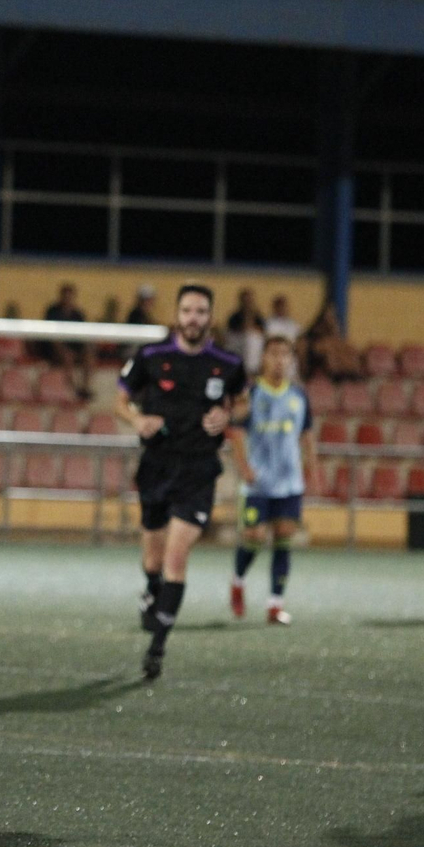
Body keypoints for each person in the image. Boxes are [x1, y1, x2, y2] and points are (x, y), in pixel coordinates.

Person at [115, 284, 248, 680]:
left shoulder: (227, 362)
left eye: (201, 311)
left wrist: (228, 415)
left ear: (210, 316)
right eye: (187, 311)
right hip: (156, 467)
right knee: (153, 559)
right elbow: (120, 400)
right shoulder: (152, 356)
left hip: (198, 471)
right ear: (176, 315)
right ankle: (151, 588)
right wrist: (138, 420)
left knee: (176, 557)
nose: (194, 318)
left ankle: (157, 648)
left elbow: (244, 400)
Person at [226, 336, 318, 626]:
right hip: (258, 482)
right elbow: (236, 431)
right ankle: (238, 580)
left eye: (285, 354)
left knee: (283, 539)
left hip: (289, 482)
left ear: (292, 360)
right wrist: (243, 466)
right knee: (253, 536)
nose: (280, 360)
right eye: (274, 354)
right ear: (263, 358)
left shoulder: (299, 396)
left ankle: (275, 605)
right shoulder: (251, 394)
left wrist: (311, 466)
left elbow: (306, 434)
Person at [42, 283, 93, 400]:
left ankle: (85, 387)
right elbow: (49, 335)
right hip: (53, 349)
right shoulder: (52, 311)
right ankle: (71, 387)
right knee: (67, 356)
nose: (68, 299)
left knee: (89, 353)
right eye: (65, 296)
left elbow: (83, 334)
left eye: (70, 296)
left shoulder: (77, 314)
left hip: (74, 347)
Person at [301, 306, 363, 381]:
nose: (332, 323)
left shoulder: (345, 344)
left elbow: (355, 365)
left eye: (334, 319)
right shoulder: (308, 343)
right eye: (327, 320)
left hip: (346, 378)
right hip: (321, 378)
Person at [225, 288, 266, 371]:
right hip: (238, 349)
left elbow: (262, 332)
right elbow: (231, 332)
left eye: (249, 300)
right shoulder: (234, 317)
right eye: (245, 300)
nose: (247, 302)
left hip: (254, 358)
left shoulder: (258, 317)